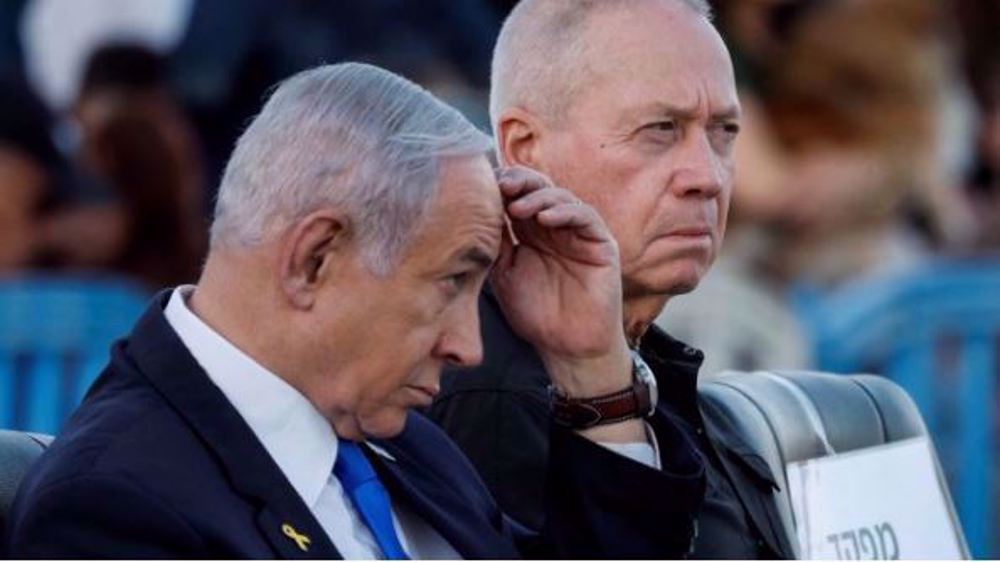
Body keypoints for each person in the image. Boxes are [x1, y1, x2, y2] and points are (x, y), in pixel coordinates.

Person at [5, 62, 705, 558]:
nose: (469, 345)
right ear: (314, 259)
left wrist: (591, 366)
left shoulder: (409, 444)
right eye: (451, 282)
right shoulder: (115, 507)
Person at [428, 0, 795, 558]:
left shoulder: (646, 351)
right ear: (525, 150)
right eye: (659, 130)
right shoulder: (479, 382)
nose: (707, 177)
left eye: (723, 132)